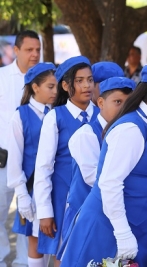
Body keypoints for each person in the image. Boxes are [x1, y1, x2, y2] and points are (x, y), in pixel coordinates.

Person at [59, 65, 147, 266]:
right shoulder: (131, 128)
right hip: (107, 230)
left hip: (134, 227)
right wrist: (122, 233)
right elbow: (110, 184)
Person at [33, 56, 100, 266]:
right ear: (65, 85)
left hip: (97, 199)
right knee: (64, 258)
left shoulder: (103, 115)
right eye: (79, 81)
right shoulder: (55, 117)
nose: (87, 85)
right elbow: (43, 167)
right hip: (63, 202)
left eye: (89, 79)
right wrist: (44, 212)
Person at [61, 77, 135, 243]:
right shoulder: (86, 134)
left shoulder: (125, 133)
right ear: (101, 103)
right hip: (85, 215)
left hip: (111, 215)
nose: (124, 109)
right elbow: (95, 179)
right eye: (117, 102)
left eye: (129, 104)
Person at [7, 63, 56, 267]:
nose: (55, 91)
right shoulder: (20, 115)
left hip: (56, 186)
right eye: (50, 87)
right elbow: (15, 158)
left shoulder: (57, 112)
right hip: (32, 189)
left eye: (56, 87)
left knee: (56, 239)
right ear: (35, 87)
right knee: (35, 240)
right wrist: (22, 194)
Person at [0, 29, 40, 267]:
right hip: (2, 160)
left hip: (34, 162)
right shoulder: (2, 78)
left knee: (30, 215)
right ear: (15, 51)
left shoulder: (46, 79)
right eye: (29, 50)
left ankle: (26, 262)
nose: (34, 54)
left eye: (37, 49)